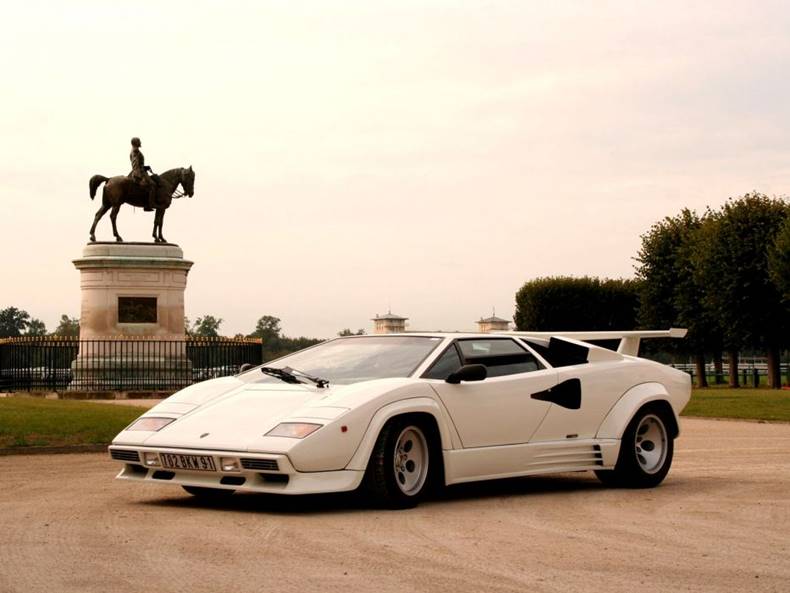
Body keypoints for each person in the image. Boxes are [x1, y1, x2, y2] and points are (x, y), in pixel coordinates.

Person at [128, 137, 157, 211]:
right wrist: (139, 175)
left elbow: (139, 164)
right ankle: (149, 205)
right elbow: (135, 164)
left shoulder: (134, 150)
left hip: (140, 170)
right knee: (152, 185)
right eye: (139, 141)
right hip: (139, 172)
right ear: (136, 143)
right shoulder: (136, 151)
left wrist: (146, 167)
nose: (140, 142)